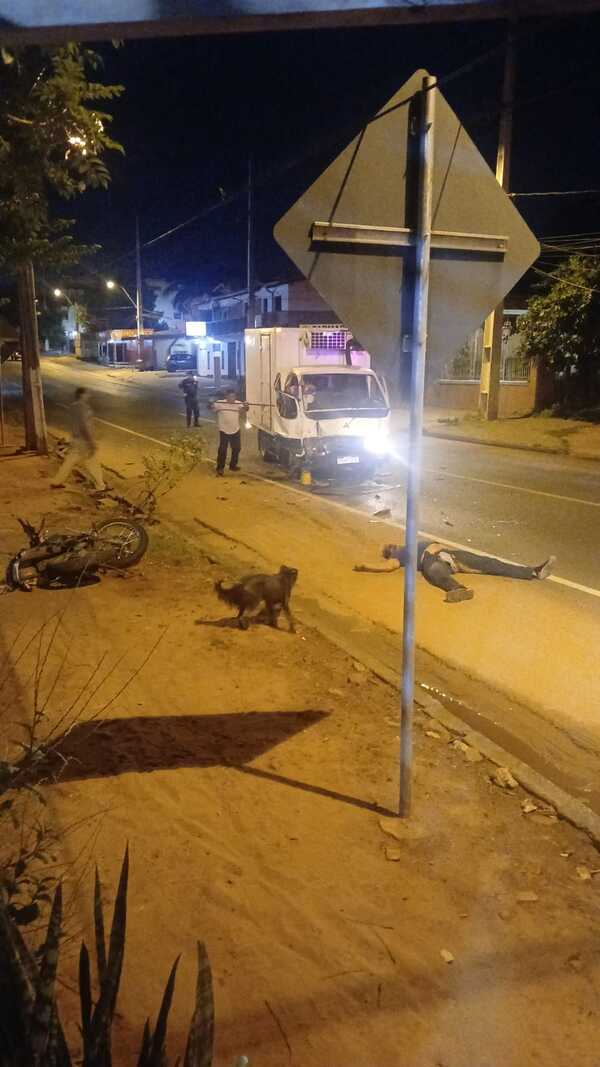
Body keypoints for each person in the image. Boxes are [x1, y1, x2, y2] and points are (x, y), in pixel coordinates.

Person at [354, 540, 555, 603]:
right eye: (390, 548)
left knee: (488, 563)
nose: (392, 546)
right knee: (436, 573)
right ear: (391, 551)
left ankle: (534, 572)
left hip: (443, 556)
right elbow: (388, 567)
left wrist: (365, 567)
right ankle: (458, 589)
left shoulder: (409, 546)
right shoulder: (401, 554)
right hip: (438, 558)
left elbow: (388, 567)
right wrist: (366, 567)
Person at [50, 387, 106, 494]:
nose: (89, 396)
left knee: (70, 461)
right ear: (82, 395)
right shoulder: (83, 408)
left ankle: (57, 481)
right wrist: (91, 441)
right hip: (83, 440)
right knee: (92, 461)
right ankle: (100, 485)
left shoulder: (73, 407)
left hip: (75, 438)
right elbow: (84, 426)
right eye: (87, 394)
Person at [211, 389, 249, 476]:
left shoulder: (238, 403)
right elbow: (211, 408)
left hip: (235, 430)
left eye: (234, 396)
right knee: (222, 450)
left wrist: (246, 405)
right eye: (231, 396)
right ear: (226, 396)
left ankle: (233, 465)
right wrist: (210, 403)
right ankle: (220, 468)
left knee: (237, 448)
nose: (233, 398)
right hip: (224, 430)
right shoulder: (220, 403)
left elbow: (246, 409)